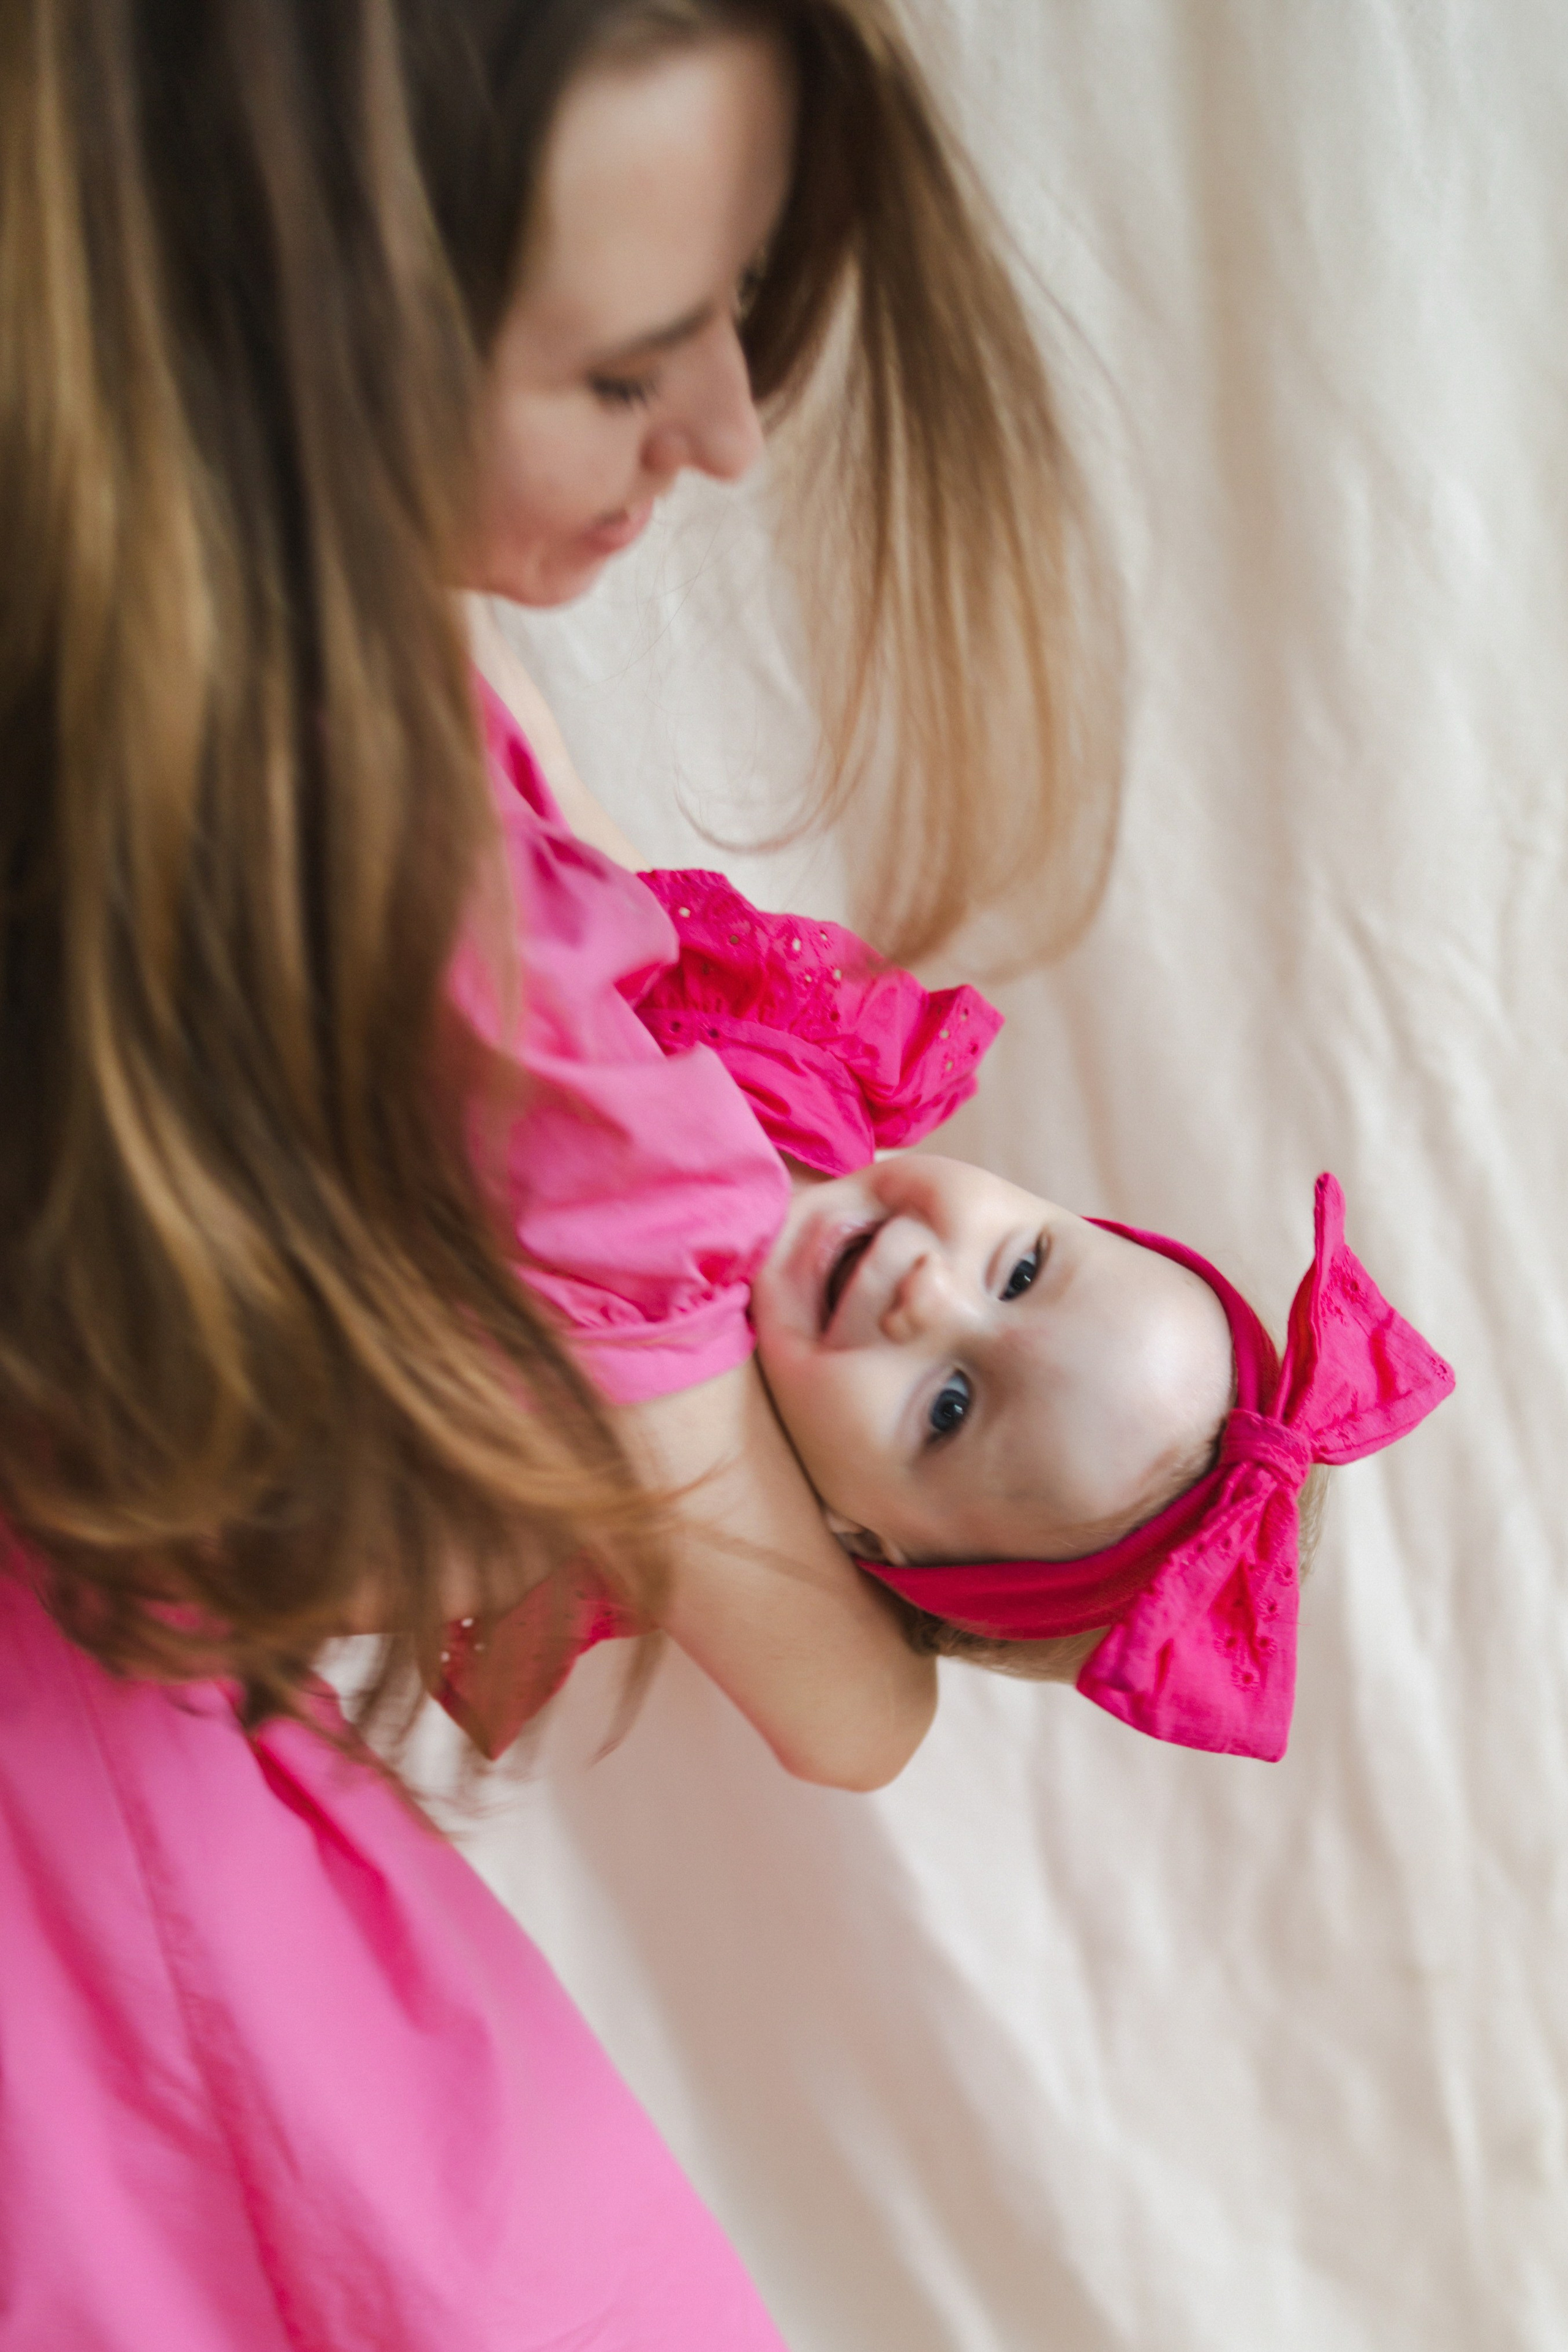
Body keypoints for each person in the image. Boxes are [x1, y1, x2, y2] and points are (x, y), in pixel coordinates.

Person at [1, 0, 1115, 2340]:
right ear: (301, 324)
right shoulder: (439, 905)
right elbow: (843, 1708)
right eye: (626, 368)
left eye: (740, 315)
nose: (724, 430)